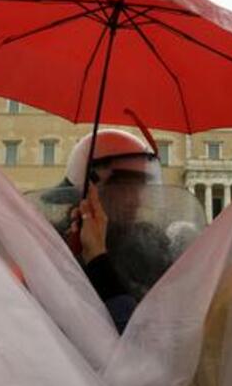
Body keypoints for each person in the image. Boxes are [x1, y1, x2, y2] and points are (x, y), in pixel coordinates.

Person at [63, 129, 161, 332]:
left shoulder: (152, 244)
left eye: (139, 188)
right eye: (124, 187)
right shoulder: (59, 247)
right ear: (89, 188)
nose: (136, 200)